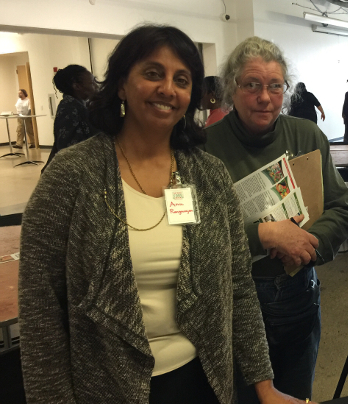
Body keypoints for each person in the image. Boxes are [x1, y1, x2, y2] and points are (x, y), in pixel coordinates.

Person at [19, 25, 311, 404]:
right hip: (108, 386)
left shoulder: (207, 175)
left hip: (204, 381)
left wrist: (263, 384)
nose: (168, 89)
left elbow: (238, 287)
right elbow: (41, 312)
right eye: (153, 73)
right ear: (122, 84)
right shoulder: (71, 175)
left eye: (182, 79)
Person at [203, 36, 348, 402]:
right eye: (252, 85)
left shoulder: (306, 135)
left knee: (294, 394)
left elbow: (342, 208)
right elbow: (193, 235)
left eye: (275, 86)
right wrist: (264, 235)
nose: (265, 97)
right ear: (232, 88)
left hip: (297, 292)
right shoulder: (204, 146)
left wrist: (307, 245)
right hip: (231, 300)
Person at [41, 64, 99, 173]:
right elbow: (68, 147)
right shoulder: (69, 107)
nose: (96, 86)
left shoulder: (79, 105)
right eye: (92, 83)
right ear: (77, 86)